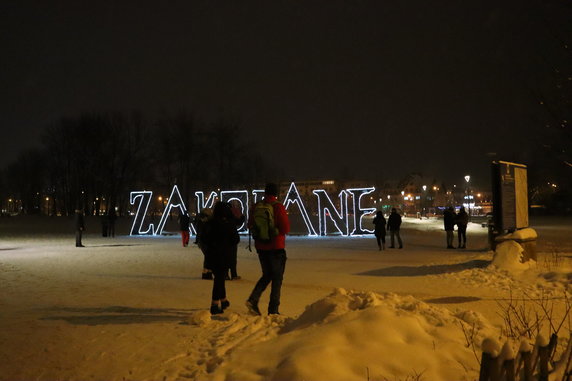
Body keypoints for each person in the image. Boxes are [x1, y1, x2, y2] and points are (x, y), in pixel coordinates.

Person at [246, 183, 290, 315]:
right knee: (277, 278)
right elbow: (285, 229)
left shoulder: (256, 207)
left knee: (267, 275)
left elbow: (250, 225)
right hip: (276, 247)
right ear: (276, 193)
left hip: (261, 246)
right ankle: (273, 310)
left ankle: (253, 299)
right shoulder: (277, 207)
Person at [201, 201, 240, 315]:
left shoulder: (210, 223)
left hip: (212, 255)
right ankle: (214, 304)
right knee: (219, 279)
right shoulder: (228, 224)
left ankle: (223, 300)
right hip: (224, 255)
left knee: (220, 277)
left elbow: (204, 238)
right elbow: (235, 239)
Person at [194, 207, 214, 279]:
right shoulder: (207, 222)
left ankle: (206, 272)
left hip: (203, 241)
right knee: (209, 257)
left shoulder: (201, 221)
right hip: (206, 241)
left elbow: (200, 231)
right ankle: (207, 273)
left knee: (208, 257)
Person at [228, 200, 245, 280]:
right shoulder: (231, 217)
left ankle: (225, 274)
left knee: (225, 257)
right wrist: (242, 218)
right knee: (232, 258)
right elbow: (238, 222)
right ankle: (233, 274)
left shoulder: (221, 217)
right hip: (232, 239)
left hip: (225, 240)